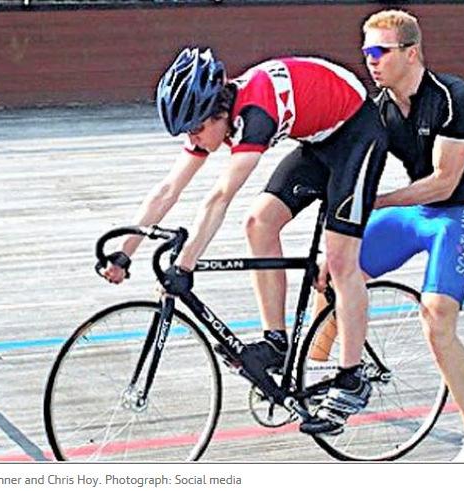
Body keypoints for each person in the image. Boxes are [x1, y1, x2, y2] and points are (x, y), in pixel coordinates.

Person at [103, 47, 388, 434]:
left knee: (340, 261)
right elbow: (168, 189)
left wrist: (185, 264)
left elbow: (219, 196)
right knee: (259, 223)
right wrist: (125, 251)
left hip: (359, 136)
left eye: (196, 129)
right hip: (320, 141)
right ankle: (277, 343)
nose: (195, 139)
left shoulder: (256, 114)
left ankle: (351, 379)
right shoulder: (214, 121)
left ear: (217, 111)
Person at [313, 9, 464, 461]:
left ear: (411, 53)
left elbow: (443, 182)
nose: (370, 61)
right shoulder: (379, 109)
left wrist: (373, 204)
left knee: (437, 321)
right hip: (416, 211)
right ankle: (316, 374)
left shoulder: (455, 98)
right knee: (334, 269)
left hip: (457, 214)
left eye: (380, 51)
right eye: (365, 52)